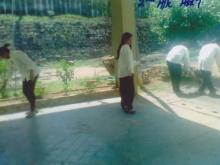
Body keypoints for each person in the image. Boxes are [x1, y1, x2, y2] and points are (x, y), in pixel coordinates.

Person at [0, 44, 40, 118]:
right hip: (25, 75)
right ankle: (33, 109)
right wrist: (5, 81)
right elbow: (10, 70)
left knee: (29, 91)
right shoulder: (9, 59)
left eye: (2, 56)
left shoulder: (17, 54)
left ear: (5, 53)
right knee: (26, 91)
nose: (2, 58)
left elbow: (29, 62)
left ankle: (33, 110)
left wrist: (31, 76)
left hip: (32, 73)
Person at [116, 32, 135, 114]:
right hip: (127, 74)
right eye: (129, 39)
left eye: (131, 39)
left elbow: (128, 61)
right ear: (125, 40)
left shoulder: (123, 47)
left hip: (122, 74)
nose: (131, 41)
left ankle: (124, 105)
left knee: (124, 91)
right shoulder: (126, 48)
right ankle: (128, 107)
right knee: (130, 92)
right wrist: (131, 72)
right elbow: (129, 62)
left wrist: (138, 63)